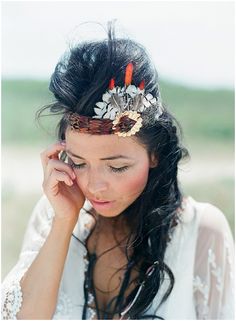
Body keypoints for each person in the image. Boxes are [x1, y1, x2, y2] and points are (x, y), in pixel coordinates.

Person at [1, 22, 234, 320]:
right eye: (79, 162)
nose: (95, 186)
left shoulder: (201, 232)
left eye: (117, 167)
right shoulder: (51, 216)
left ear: (154, 154)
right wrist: (63, 223)